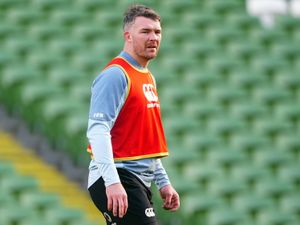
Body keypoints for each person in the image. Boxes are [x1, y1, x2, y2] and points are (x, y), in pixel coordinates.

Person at [86, 4, 180, 225]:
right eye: (145, 31)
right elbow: (98, 131)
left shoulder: (147, 77)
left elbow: (146, 138)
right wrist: (112, 182)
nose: (153, 37)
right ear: (127, 36)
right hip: (118, 177)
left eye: (157, 32)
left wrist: (163, 182)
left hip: (137, 180)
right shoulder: (116, 75)